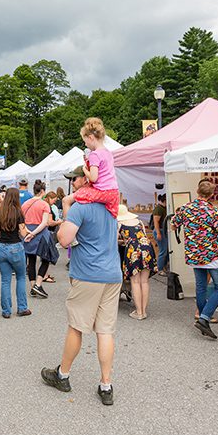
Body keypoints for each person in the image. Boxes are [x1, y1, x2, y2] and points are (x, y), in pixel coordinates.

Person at [41, 166, 122, 406]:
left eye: (74, 179)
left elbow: (64, 239)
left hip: (88, 274)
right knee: (105, 330)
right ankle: (106, 385)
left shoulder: (80, 208)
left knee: (76, 326)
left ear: (86, 179)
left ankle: (62, 375)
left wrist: (67, 207)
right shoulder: (110, 207)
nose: (72, 183)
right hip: (111, 273)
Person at [170, 180, 218, 339]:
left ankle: (204, 317)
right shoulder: (213, 212)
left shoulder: (186, 208)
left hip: (194, 254)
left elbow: (173, 225)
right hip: (212, 255)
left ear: (197, 191)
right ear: (212, 195)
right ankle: (204, 317)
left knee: (201, 287)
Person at [62, 117, 120, 219]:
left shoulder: (94, 154)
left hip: (102, 192)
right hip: (114, 193)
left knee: (66, 200)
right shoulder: (108, 153)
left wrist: (85, 170)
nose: (85, 144)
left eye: (85, 141)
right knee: (112, 218)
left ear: (91, 137)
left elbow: (93, 178)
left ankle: (67, 224)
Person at [0, 188, 31, 318]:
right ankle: (22, 308)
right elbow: (23, 233)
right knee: (20, 277)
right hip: (16, 247)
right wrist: (26, 232)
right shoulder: (18, 213)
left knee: (5, 280)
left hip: (2, 247)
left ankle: (6, 311)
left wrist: (4, 232)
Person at [119, 205, 157, 320]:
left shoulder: (119, 224)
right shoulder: (139, 222)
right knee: (144, 282)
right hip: (146, 247)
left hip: (133, 250)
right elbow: (142, 236)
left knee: (135, 282)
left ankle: (138, 312)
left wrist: (124, 241)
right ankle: (144, 311)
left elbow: (115, 239)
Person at [22, 180, 59, 299]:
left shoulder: (25, 204)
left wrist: (28, 232)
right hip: (41, 233)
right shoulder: (44, 204)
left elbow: (21, 222)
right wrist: (33, 233)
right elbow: (45, 223)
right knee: (45, 259)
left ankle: (33, 286)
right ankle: (38, 284)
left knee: (31, 261)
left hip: (27, 232)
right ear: (42, 191)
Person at [151, 194, 169, 275]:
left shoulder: (164, 208)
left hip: (163, 231)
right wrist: (158, 233)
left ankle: (164, 267)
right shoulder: (158, 209)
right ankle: (160, 269)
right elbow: (156, 222)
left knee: (166, 251)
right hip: (160, 231)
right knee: (163, 251)